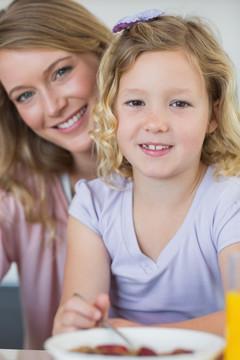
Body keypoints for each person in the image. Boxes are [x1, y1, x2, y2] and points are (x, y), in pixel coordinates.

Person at [53, 9, 240, 338]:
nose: (156, 123)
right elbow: (78, 328)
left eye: (179, 104)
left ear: (213, 115)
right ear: (111, 111)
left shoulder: (229, 201)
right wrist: (72, 324)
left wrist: (147, 339)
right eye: (136, 102)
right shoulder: (93, 206)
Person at [0, 0, 112, 350]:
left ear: (104, 55)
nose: (52, 107)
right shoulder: (18, 192)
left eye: (61, 72)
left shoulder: (205, 179)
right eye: (26, 95)